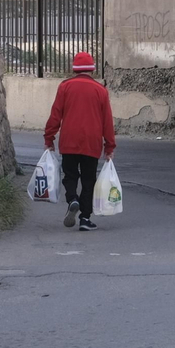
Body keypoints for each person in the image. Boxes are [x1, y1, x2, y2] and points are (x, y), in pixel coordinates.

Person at [43, 51, 116, 232]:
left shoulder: (65, 87)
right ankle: (84, 218)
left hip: (69, 140)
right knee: (88, 180)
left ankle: (72, 199)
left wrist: (49, 138)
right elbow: (107, 121)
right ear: (92, 69)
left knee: (70, 175)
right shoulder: (101, 91)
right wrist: (109, 147)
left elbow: (55, 115)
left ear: (74, 69)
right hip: (92, 143)